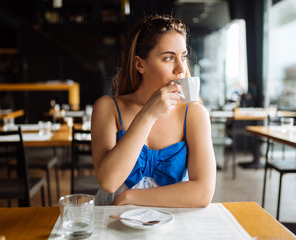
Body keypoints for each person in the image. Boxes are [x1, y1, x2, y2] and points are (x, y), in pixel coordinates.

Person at [91, 15, 216, 207]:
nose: (181, 68)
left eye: (183, 56)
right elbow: (109, 182)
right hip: (112, 222)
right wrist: (148, 115)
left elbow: (203, 193)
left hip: (170, 225)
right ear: (140, 64)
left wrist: (129, 197)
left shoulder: (194, 114)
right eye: (168, 58)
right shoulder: (108, 108)